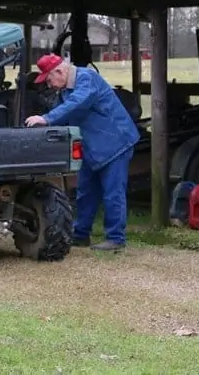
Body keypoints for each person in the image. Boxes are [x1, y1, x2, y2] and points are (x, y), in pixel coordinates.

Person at [25, 54, 139, 251]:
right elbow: (66, 113)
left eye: (49, 80)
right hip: (92, 147)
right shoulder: (64, 91)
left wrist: (47, 118)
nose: (49, 85)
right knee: (85, 192)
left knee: (113, 193)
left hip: (115, 144)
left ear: (59, 72)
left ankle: (116, 238)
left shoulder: (87, 79)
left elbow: (76, 103)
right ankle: (80, 234)